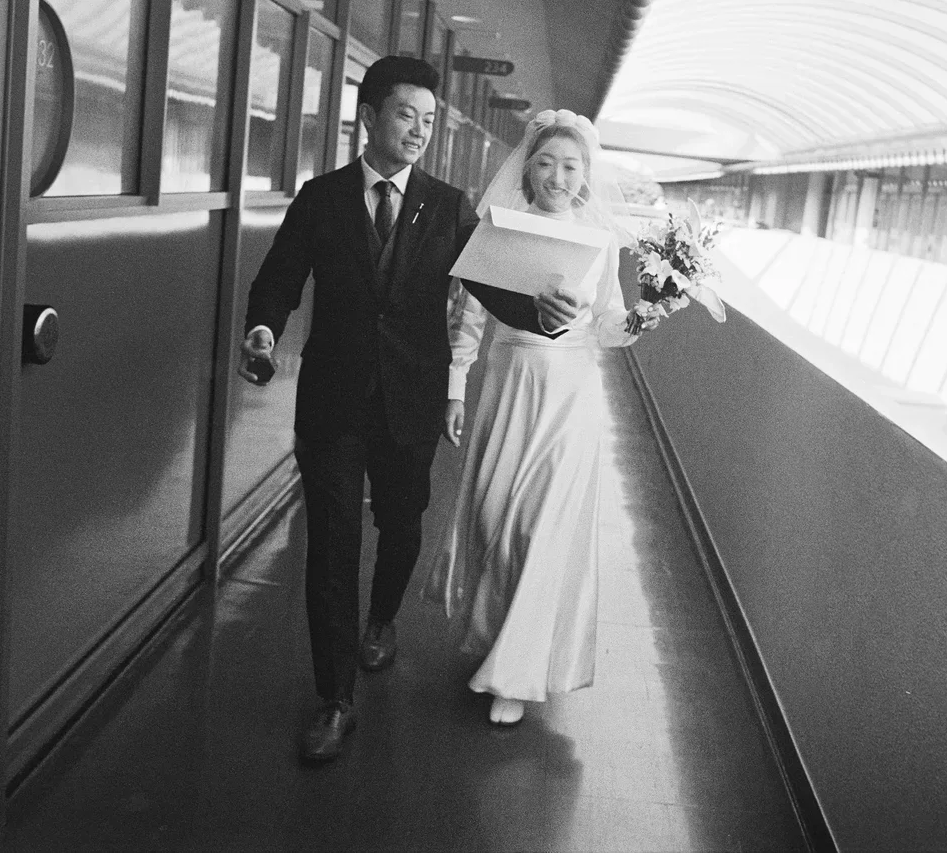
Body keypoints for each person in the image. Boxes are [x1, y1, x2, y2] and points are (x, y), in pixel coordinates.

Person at [239, 56, 587, 763]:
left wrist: (544, 314)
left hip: (410, 400)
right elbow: (278, 278)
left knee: (401, 522)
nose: (420, 131)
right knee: (332, 545)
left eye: (429, 120)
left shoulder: (448, 205)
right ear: (368, 117)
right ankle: (335, 700)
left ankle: (383, 618)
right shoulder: (321, 198)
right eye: (407, 116)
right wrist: (265, 325)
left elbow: (493, 287)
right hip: (333, 400)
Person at [425, 109, 656, 726]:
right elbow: (469, 316)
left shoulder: (602, 239)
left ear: (586, 174)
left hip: (572, 392)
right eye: (547, 162)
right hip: (509, 380)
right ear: (528, 165)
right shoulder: (504, 227)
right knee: (496, 515)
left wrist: (641, 318)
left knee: (542, 527)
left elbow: (607, 323)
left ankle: (515, 675)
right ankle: (498, 634)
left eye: (571, 166)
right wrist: (456, 387)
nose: (558, 175)